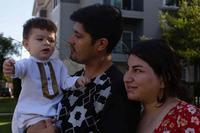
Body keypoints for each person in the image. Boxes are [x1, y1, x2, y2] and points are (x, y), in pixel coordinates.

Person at [50, 4, 141, 133]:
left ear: (101, 44)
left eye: (78, 35)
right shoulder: (72, 81)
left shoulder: (119, 91)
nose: (71, 40)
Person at [3, 17, 89, 133]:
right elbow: (17, 69)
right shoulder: (27, 64)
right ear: (26, 44)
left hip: (54, 113)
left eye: (51, 40)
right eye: (40, 39)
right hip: (32, 115)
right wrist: (10, 67)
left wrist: (77, 81)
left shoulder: (58, 64)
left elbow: (65, 82)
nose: (46, 43)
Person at [123, 39, 200, 133]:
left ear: (164, 78)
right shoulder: (132, 114)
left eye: (137, 70)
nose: (126, 78)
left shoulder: (189, 118)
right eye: (128, 69)